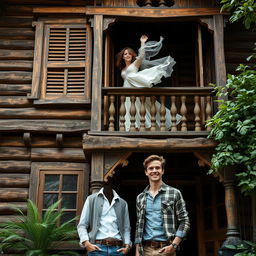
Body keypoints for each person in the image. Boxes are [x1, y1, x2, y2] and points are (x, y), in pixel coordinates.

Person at [116, 35, 180, 131]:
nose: (127, 55)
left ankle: (148, 127)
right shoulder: (123, 69)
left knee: (142, 109)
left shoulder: (135, 64)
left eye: (129, 53)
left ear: (132, 55)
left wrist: (142, 42)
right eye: (125, 54)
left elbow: (141, 56)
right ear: (123, 57)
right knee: (129, 110)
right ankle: (130, 129)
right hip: (126, 92)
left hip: (135, 90)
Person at [135, 155, 190, 256]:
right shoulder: (140, 197)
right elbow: (139, 225)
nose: (154, 170)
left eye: (158, 168)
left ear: (162, 171)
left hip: (166, 249)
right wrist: (137, 252)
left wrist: (174, 245)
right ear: (146, 172)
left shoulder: (174, 193)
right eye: (151, 168)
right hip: (146, 250)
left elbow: (185, 221)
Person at [77, 180, 131, 255]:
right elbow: (82, 225)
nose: (107, 181)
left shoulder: (122, 203)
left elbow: (126, 228)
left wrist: (127, 245)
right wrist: (86, 243)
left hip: (118, 249)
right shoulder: (91, 199)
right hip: (97, 248)